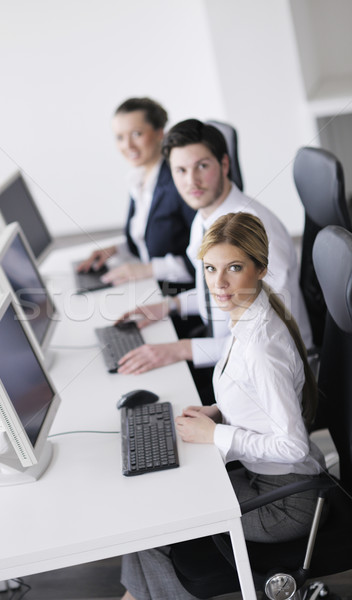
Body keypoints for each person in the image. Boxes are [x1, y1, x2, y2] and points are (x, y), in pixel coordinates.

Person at [119, 212, 326, 600]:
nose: (219, 282)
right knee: (149, 510)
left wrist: (216, 434)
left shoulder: (262, 345)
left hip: (285, 502)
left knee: (151, 522)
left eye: (234, 268)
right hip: (265, 479)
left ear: (261, 267)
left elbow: (293, 446)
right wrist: (216, 411)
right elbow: (254, 399)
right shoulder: (247, 316)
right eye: (211, 268)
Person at [116, 119, 312, 388]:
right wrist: (170, 306)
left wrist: (181, 349)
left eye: (202, 167)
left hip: (267, 378)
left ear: (224, 165)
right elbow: (220, 293)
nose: (191, 181)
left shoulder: (253, 231)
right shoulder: (205, 218)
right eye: (180, 170)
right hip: (228, 354)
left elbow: (271, 340)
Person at [77, 98, 196, 291]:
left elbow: (205, 260)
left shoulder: (180, 182)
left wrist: (147, 270)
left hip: (181, 295)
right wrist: (116, 250)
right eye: (120, 137)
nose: (128, 145)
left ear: (160, 133)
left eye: (136, 134)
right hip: (152, 287)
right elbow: (143, 239)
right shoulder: (139, 179)